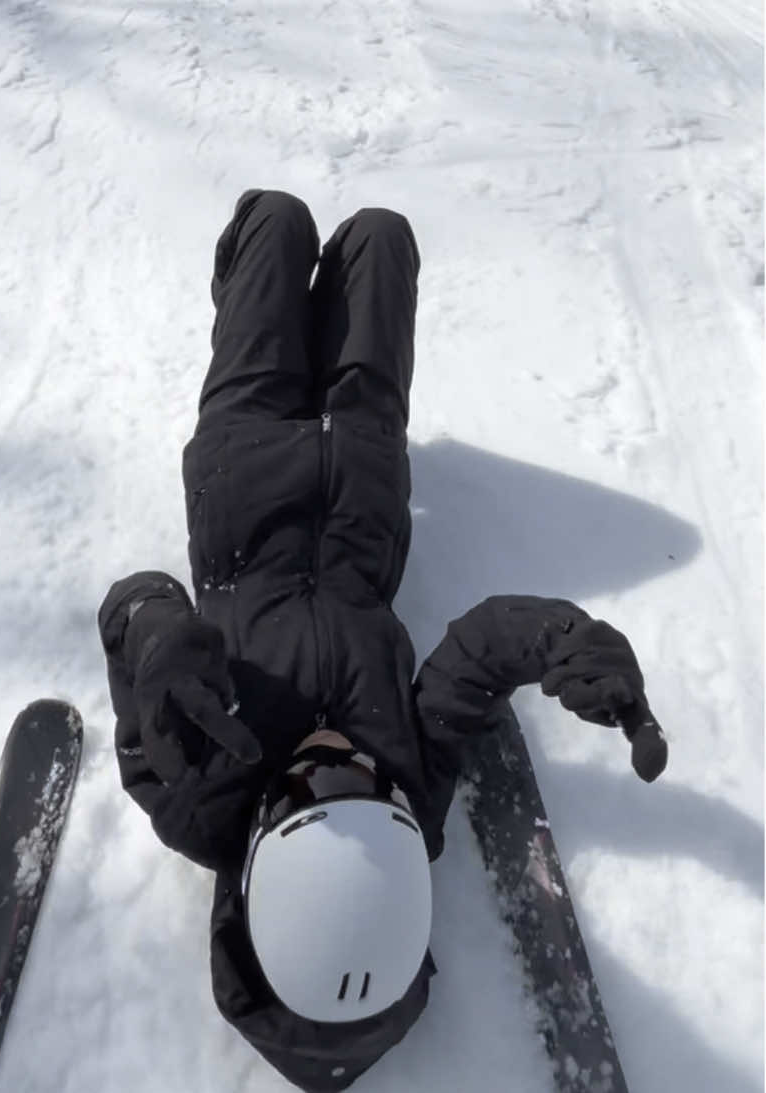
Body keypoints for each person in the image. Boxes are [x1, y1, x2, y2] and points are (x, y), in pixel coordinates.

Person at [98, 190, 667, 1092]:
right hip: (363, 476)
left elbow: (132, 603)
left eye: (310, 784)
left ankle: (249, 285)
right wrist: (568, 640)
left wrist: (159, 633)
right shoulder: (409, 778)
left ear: (255, 846)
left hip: (241, 463)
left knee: (278, 222)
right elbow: (478, 654)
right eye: (364, 783)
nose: (339, 757)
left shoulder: (193, 785)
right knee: (380, 237)